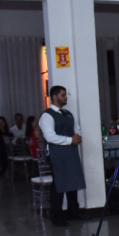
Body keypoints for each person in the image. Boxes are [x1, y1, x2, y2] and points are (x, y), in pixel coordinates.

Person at [39, 86, 85, 226]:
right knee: (59, 184)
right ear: (54, 97)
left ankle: (73, 211)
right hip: (57, 154)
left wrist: (77, 136)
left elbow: (76, 129)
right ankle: (56, 215)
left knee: (73, 182)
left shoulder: (68, 114)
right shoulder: (47, 116)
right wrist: (70, 140)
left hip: (71, 152)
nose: (66, 97)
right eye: (63, 95)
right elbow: (50, 136)